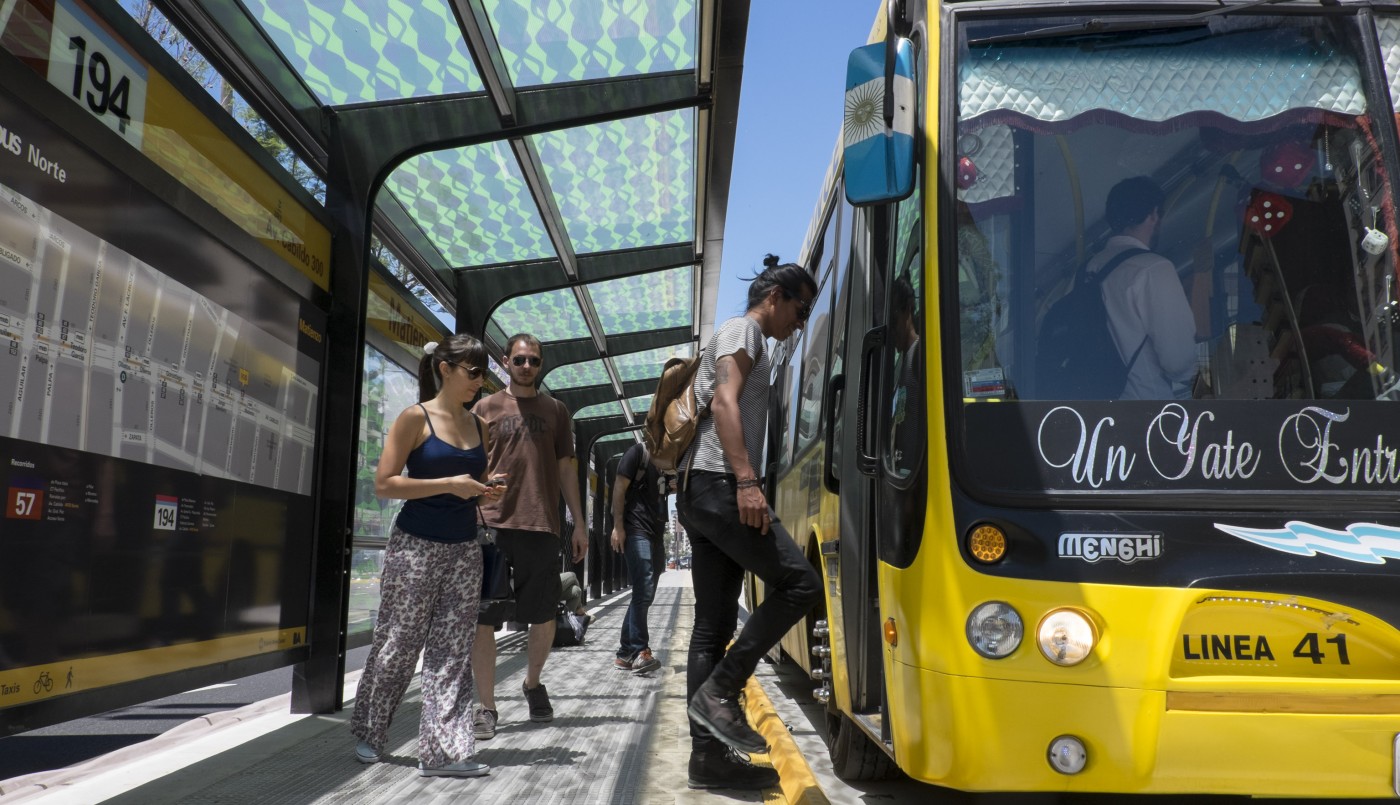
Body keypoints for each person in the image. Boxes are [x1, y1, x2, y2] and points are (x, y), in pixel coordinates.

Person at [676, 254, 823, 790]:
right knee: (800, 582)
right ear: (775, 298)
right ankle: (721, 691)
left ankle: (706, 761)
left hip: (701, 491)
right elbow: (723, 401)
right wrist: (746, 481)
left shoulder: (747, 334)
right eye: (801, 309)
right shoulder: (745, 329)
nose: (801, 322)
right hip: (719, 486)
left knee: (711, 629)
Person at [350, 334, 504, 778]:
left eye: (482, 374)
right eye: (472, 373)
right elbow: (385, 483)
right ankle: (370, 730)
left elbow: (470, 479)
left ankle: (444, 753)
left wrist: (487, 485)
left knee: (452, 652)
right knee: (398, 644)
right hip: (414, 547)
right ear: (445, 369)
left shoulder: (480, 426)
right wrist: (449, 483)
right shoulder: (413, 418)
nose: (479, 382)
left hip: (463, 550)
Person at [470, 333, 588, 740]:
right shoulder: (484, 407)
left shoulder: (556, 411)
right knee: (483, 618)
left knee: (543, 615)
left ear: (541, 365)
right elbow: (470, 467)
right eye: (519, 360)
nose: (525, 367)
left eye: (533, 361)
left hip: (542, 525)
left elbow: (567, 469)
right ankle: (486, 706)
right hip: (491, 524)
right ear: (505, 361)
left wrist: (580, 522)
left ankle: (532, 683)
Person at [1091, 176, 1197, 399]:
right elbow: (1178, 362)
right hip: (1145, 410)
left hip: (1095, 409)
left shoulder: (1088, 269)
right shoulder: (1153, 268)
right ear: (1153, 214)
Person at [610, 441, 667, 675]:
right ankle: (640, 650)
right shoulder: (639, 452)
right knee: (643, 588)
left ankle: (625, 653)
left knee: (646, 593)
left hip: (656, 535)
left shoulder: (669, 460)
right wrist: (618, 527)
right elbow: (619, 489)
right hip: (635, 530)